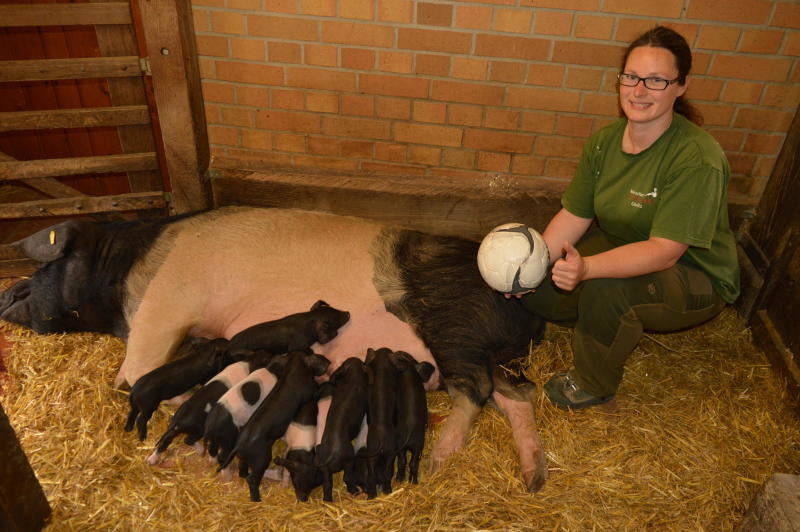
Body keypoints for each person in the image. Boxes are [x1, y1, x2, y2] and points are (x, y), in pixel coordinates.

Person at [518, 26, 741, 409]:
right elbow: (574, 213)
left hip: (692, 272)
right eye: (631, 77)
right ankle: (597, 319)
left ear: (681, 85)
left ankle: (593, 381)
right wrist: (529, 265)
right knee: (539, 288)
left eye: (656, 80)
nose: (639, 91)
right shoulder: (605, 141)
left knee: (608, 289)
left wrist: (587, 269)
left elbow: (665, 252)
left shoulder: (696, 158)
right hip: (629, 244)